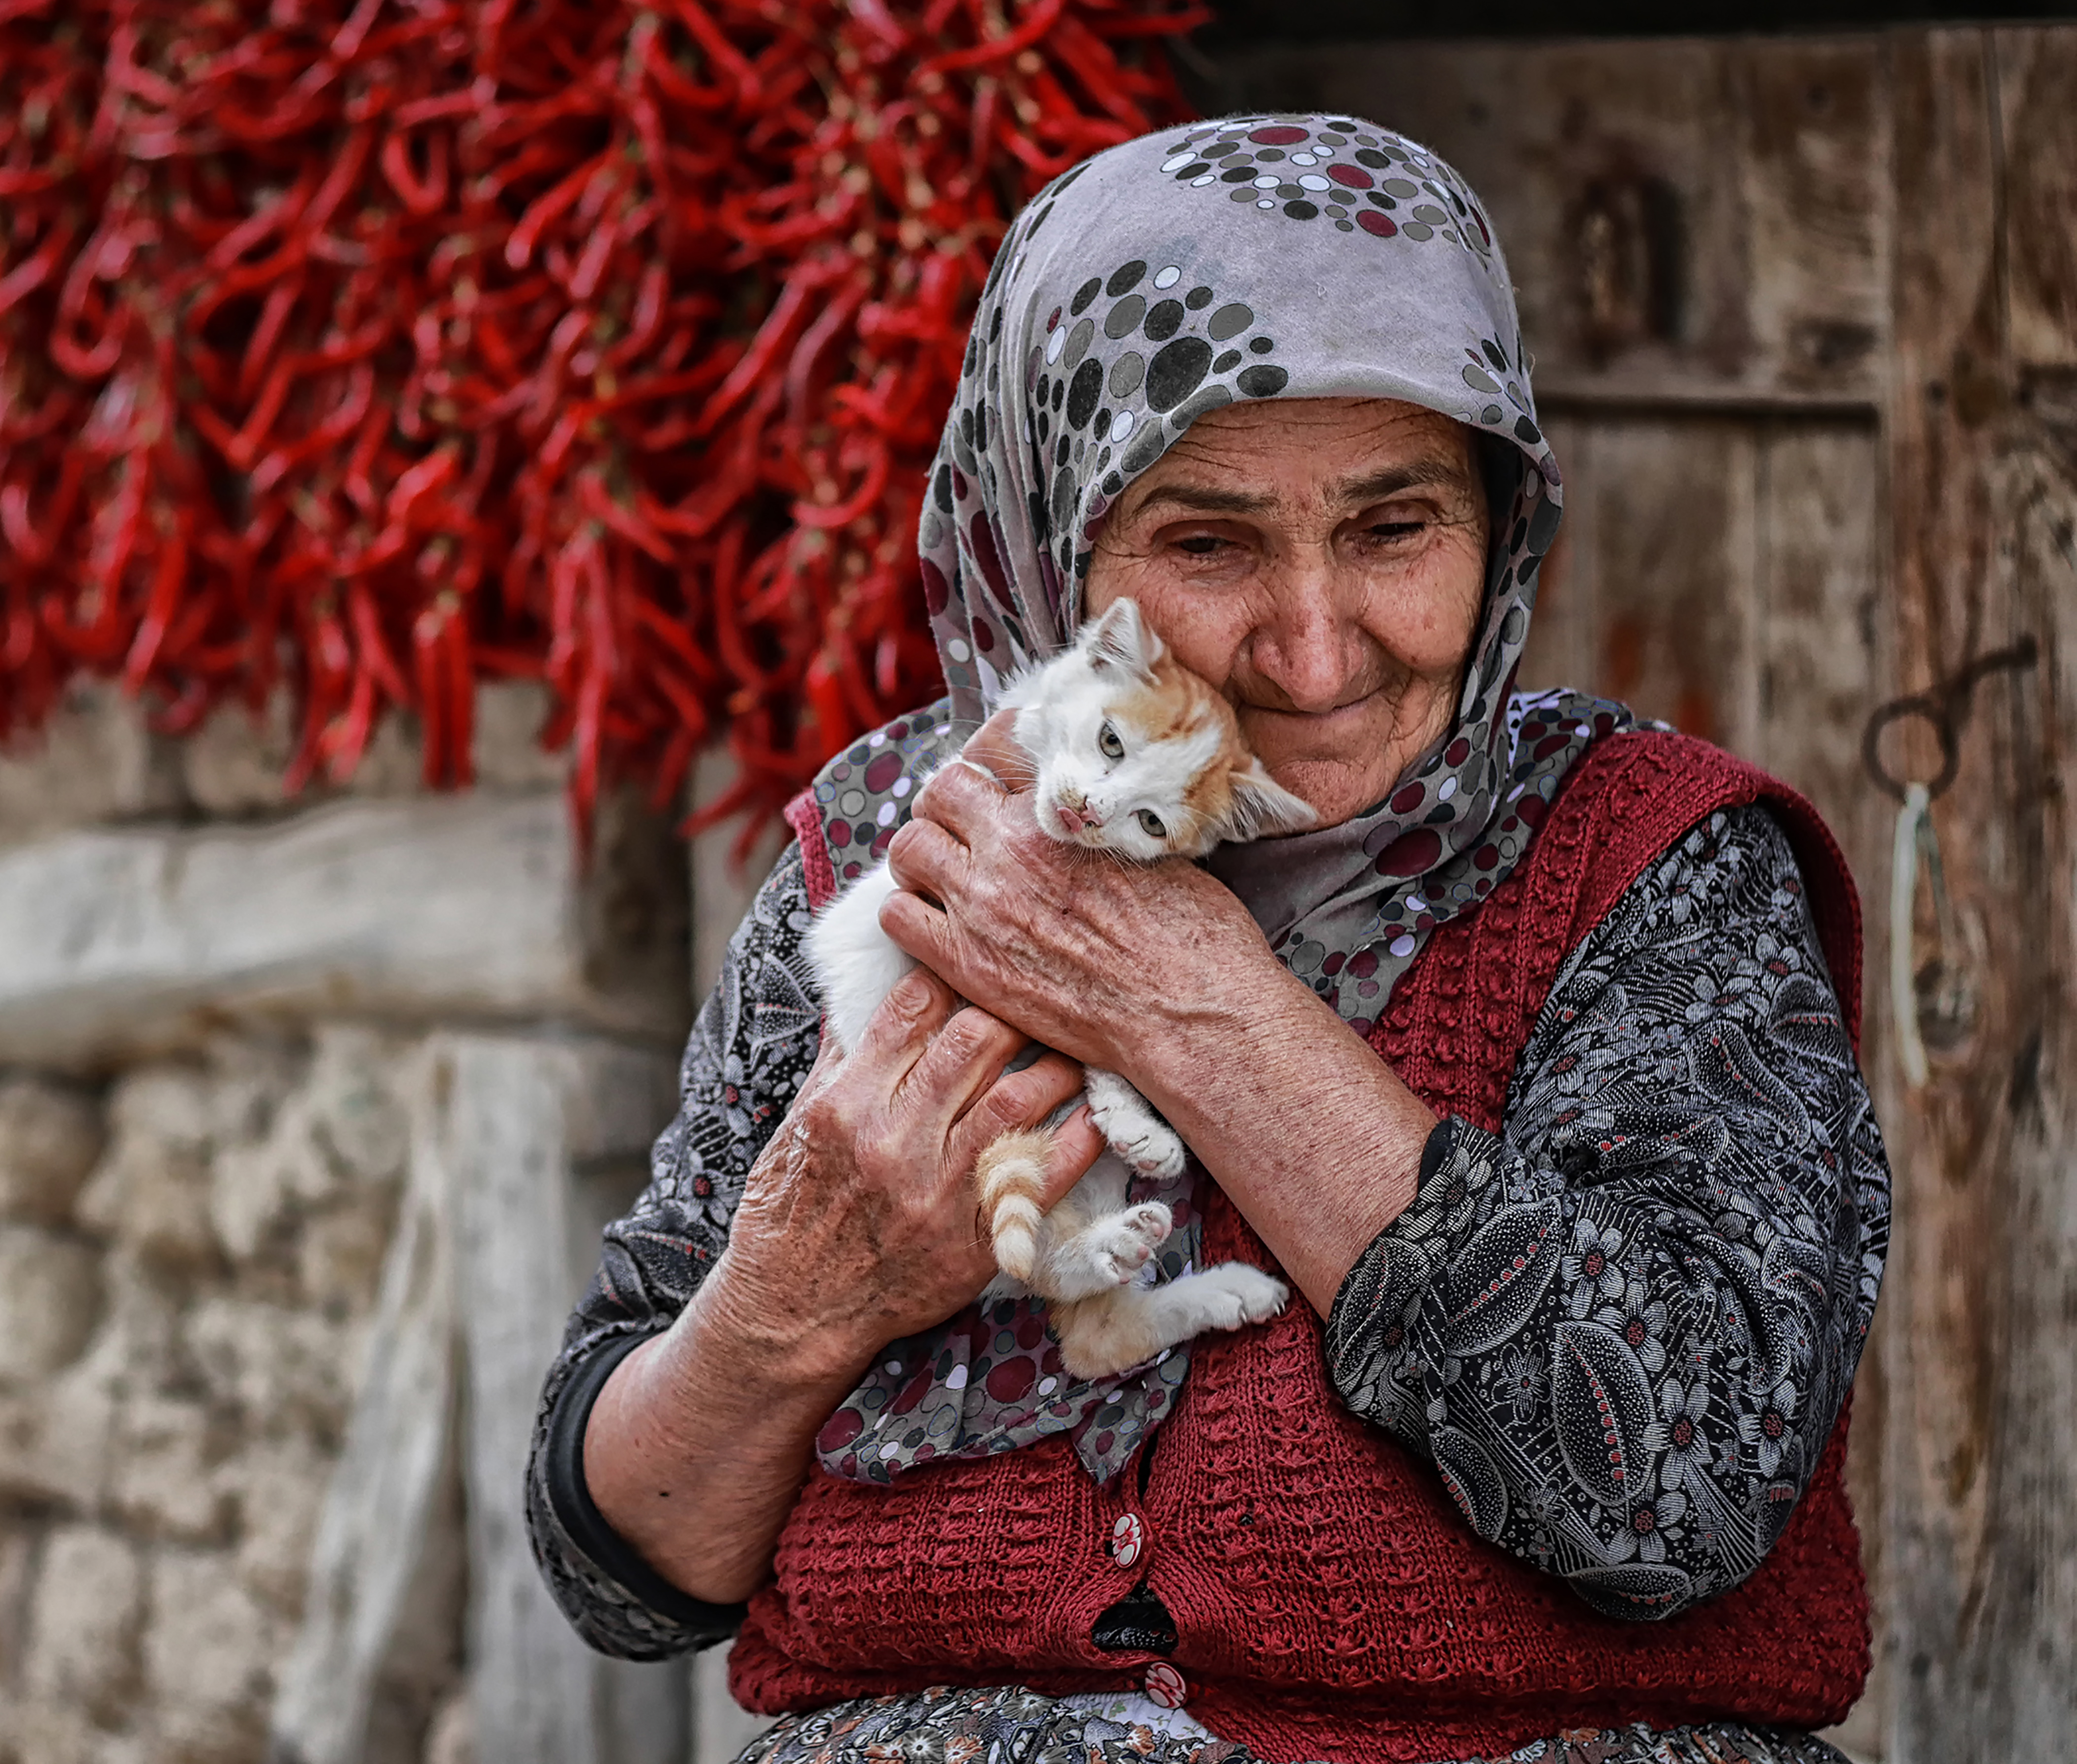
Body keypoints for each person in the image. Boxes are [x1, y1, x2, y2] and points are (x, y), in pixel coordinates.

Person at [523, 114, 1889, 1764]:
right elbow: (624, 1567)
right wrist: (799, 1303)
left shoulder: (1650, 867)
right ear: (1054, 551)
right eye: (1207, 544)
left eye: (1395, 531)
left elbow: (1687, 1478)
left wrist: (1200, 1012)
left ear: (1501, 523)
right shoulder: (896, 843)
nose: (1315, 656)